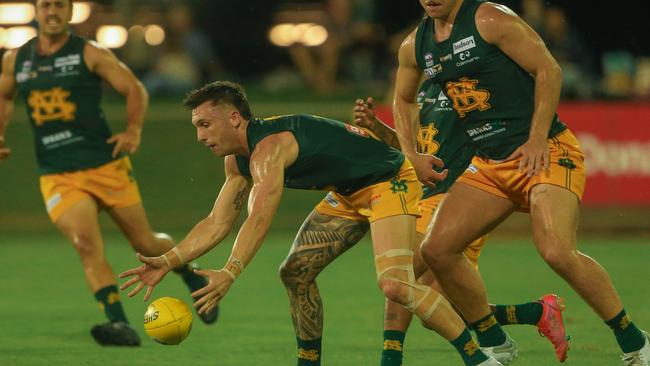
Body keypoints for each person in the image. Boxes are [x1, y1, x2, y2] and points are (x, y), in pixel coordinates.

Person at [119, 80, 503, 366]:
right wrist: (168, 261)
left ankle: (481, 360)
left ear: (234, 118)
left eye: (204, 124)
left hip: (390, 180)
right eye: (196, 127)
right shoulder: (236, 160)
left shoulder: (268, 150)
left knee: (395, 283)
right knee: (295, 273)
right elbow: (218, 220)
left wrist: (231, 271)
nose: (199, 135)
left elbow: (259, 216)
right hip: (348, 192)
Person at [392, 0, 649, 364]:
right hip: (491, 163)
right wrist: (411, 155)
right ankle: (494, 339)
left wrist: (537, 137)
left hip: (545, 152)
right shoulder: (414, 44)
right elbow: (402, 100)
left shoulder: (489, 18)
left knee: (557, 251)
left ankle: (633, 339)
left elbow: (549, 69)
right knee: (436, 249)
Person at [0, 0, 217, 346]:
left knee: (144, 243)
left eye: (59, 5)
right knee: (85, 243)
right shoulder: (17, 59)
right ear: (37, 12)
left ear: (70, 13)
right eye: (45, 5)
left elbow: (134, 88)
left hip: (105, 165)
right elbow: (5, 96)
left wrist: (132, 131)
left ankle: (191, 277)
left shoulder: (90, 53)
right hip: (57, 174)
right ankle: (119, 324)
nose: (52, 12)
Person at [353, 80, 568, 365]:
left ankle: (391, 359)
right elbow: (418, 153)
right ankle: (535, 312)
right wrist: (377, 127)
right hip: (429, 197)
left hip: (459, 198)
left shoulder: (468, 85)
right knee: (438, 310)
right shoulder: (428, 89)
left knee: (400, 272)